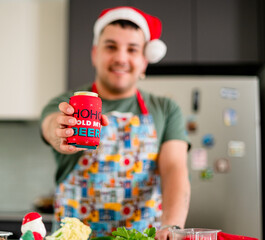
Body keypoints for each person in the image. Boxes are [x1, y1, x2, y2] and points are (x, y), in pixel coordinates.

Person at [40, 6, 190, 240]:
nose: (121, 58)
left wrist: (172, 225)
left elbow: (174, 170)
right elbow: (50, 127)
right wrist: (60, 132)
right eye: (111, 47)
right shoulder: (67, 103)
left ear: (144, 60)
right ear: (94, 53)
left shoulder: (166, 110)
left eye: (132, 49)